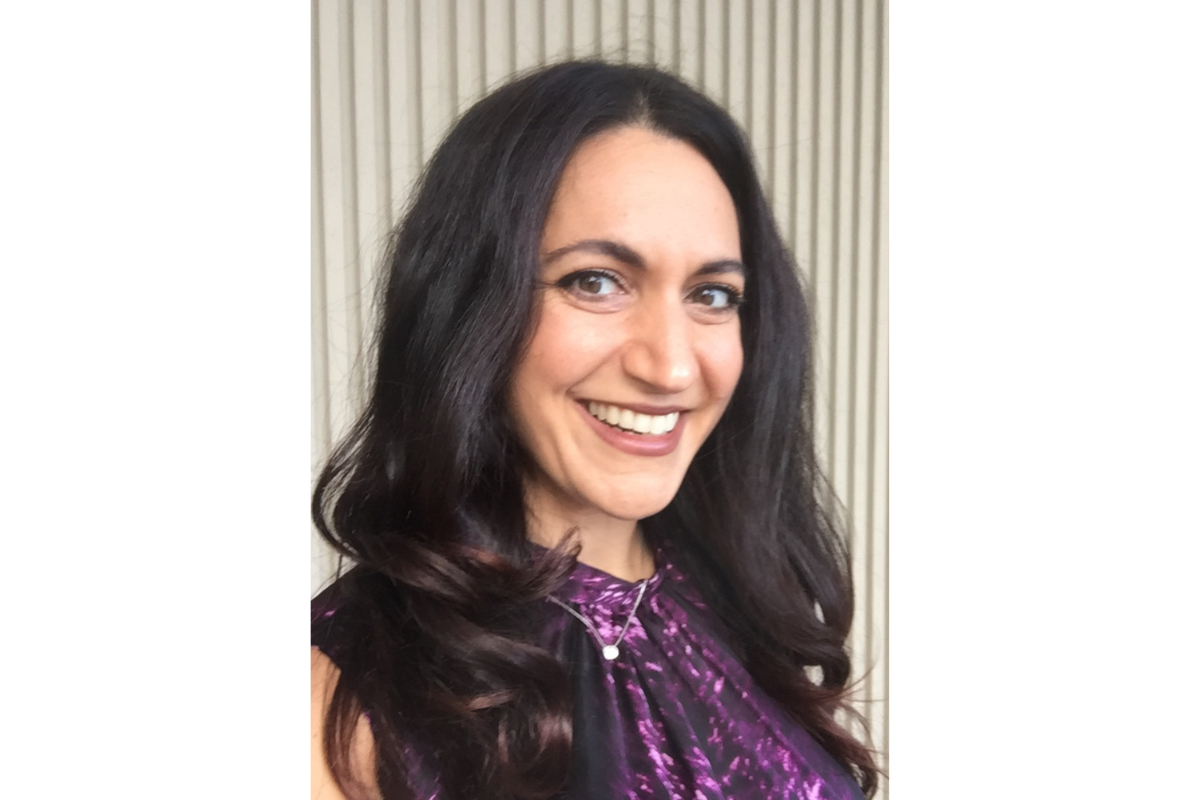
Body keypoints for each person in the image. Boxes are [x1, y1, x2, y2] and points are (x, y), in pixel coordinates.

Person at [311, 60, 879, 800]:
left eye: (713, 294)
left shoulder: (746, 610)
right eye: (595, 282)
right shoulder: (341, 700)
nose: (671, 367)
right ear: (468, 305)